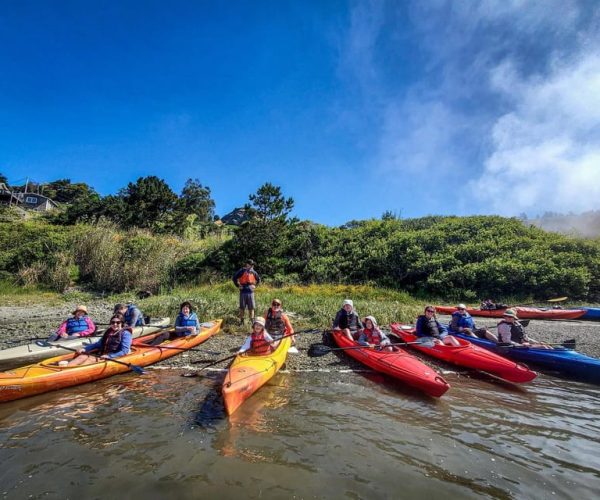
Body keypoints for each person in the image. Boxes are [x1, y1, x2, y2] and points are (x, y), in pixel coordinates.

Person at [67, 314, 132, 366]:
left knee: (90, 360)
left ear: (122, 323)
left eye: (118, 322)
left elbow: (124, 350)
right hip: (103, 353)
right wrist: (85, 349)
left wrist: (109, 356)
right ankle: (66, 368)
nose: (115, 324)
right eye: (113, 322)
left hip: (115, 356)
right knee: (82, 356)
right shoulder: (109, 331)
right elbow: (98, 344)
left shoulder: (126, 334)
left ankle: (74, 372)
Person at [232, 260, 261, 326]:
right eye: (250, 264)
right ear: (247, 264)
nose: (251, 266)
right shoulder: (242, 271)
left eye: (252, 265)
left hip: (251, 292)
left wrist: (255, 286)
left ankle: (252, 322)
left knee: (251, 308)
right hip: (243, 292)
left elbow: (258, 280)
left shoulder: (253, 272)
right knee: (242, 307)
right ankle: (242, 322)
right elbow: (234, 278)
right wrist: (238, 285)